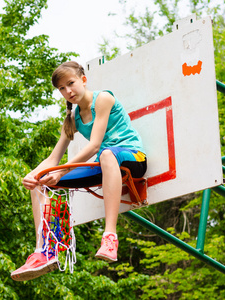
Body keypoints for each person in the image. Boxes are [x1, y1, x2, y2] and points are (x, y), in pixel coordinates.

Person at [11, 61, 147, 281]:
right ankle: (44, 250)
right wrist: (32, 175)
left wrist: (62, 172)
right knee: (40, 181)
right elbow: (53, 159)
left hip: (132, 157)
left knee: (105, 154)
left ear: (83, 79)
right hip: (105, 165)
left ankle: (110, 236)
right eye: (62, 89)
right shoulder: (73, 118)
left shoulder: (103, 99)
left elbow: (94, 145)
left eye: (71, 83)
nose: (68, 91)